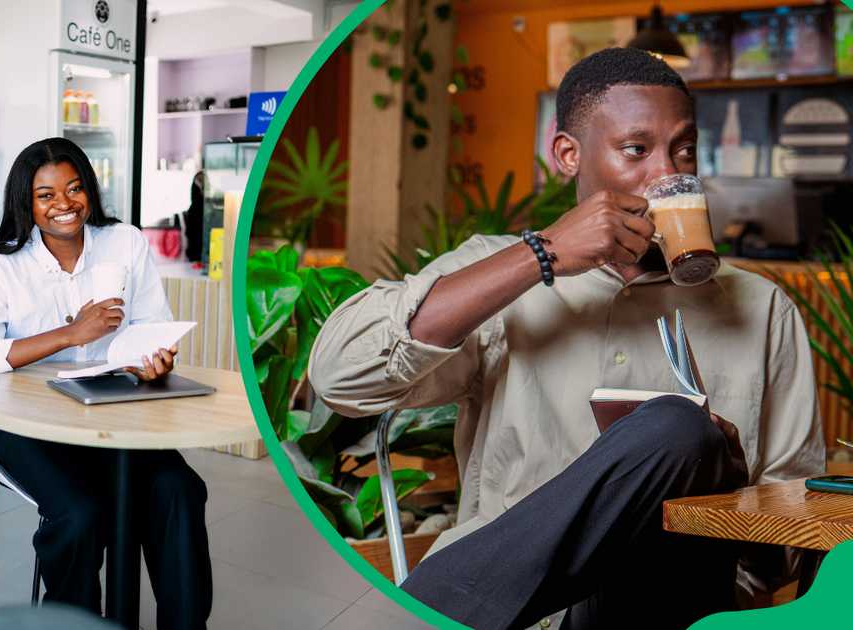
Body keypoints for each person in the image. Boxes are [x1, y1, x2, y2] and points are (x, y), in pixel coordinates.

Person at [308, 48, 824, 630]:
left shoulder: (761, 309)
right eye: (637, 150)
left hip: (672, 604)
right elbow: (338, 378)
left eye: (683, 149)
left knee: (680, 430)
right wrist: (541, 255)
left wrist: (721, 487)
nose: (668, 173)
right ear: (568, 155)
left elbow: (794, 525)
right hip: (515, 610)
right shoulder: (496, 274)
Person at [0, 137, 212, 629]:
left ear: (89, 190)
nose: (64, 204)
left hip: (112, 412)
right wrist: (71, 334)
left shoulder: (124, 242)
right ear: (26, 203)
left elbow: (148, 325)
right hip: (23, 425)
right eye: (46, 195)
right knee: (79, 513)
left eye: (74, 189)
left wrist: (149, 360)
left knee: (179, 489)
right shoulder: (3, 267)